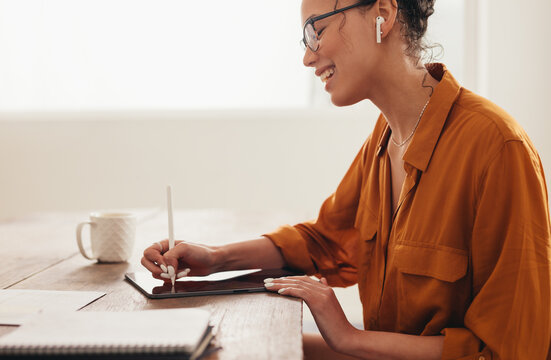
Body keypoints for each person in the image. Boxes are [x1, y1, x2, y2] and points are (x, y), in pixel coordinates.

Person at [142, 0, 551, 358]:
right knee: (232, 349)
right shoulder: (385, 138)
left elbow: (509, 351)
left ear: (383, 15)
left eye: (315, 30)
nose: (307, 57)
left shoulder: (497, 149)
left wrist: (349, 338)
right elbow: (323, 242)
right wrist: (215, 258)